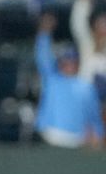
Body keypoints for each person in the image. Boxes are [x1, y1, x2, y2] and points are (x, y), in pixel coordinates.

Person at [35, 13, 103, 148]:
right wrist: (44, 33)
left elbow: (94, 116)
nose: (69, 65)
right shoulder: (52, 80)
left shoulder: (86, 87)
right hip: (50, 136)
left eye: (72, 61)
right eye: (65, 61)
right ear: (60, 63)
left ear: (77, 64)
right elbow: (43, 57)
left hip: (77, 140)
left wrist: (99, 135)